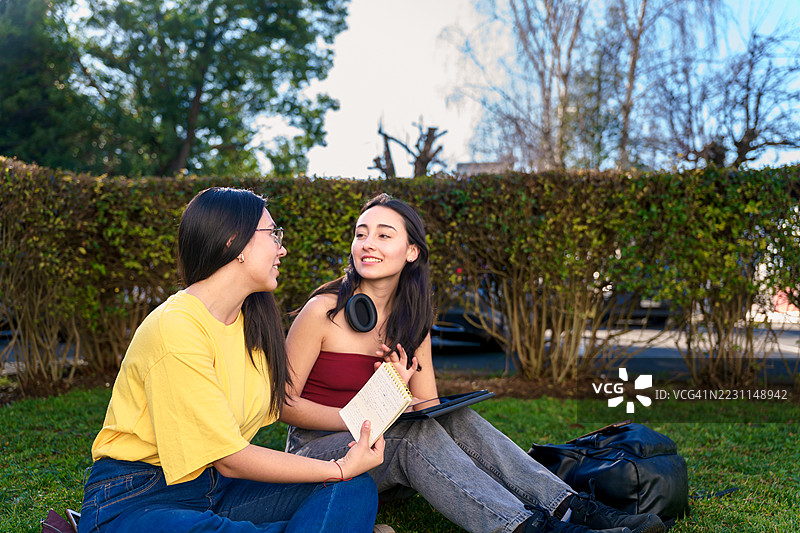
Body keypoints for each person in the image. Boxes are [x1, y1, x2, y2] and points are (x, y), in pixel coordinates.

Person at [281, 193, 667, 533]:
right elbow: (282, 404)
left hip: (380, 452)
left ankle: (570, 507)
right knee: (413, 436)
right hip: (317, 457)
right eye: (361, 233)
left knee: (453, 417)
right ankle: (523, 527)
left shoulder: (412, 321)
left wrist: (399, 390)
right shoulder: (323, 311)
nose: (368, 243)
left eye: (384, 234)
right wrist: (373, 407)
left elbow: (427, 408)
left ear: (411, 251)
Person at [78, 187, 384, 533]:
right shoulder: (176, 327)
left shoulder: (252, 323)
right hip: (139, 498)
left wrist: (382, 397)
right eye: (273, 235)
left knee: (355, 487)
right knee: (341, 484)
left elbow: (274, 415)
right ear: (233, 243)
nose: (281, 248)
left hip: (216, 489)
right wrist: (339, 466)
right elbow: (232, 458)